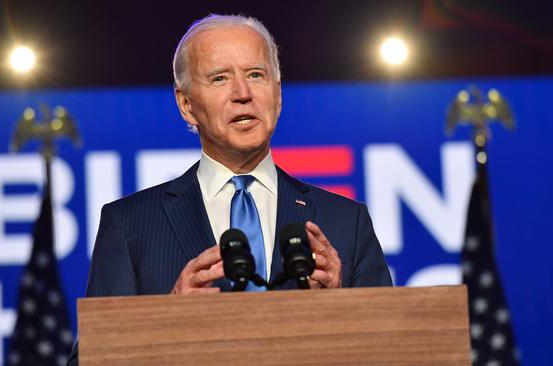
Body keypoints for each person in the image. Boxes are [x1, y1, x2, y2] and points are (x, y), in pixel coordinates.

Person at [67, 13, 391, 365]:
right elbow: (89, 360)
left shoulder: (346, 221)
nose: (243, 94)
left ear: (278, 95)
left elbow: (396, 351)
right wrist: (165, 323)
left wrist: (340, 309)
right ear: (187, 105)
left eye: (256, 75)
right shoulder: (129, 224)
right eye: (220, 78)